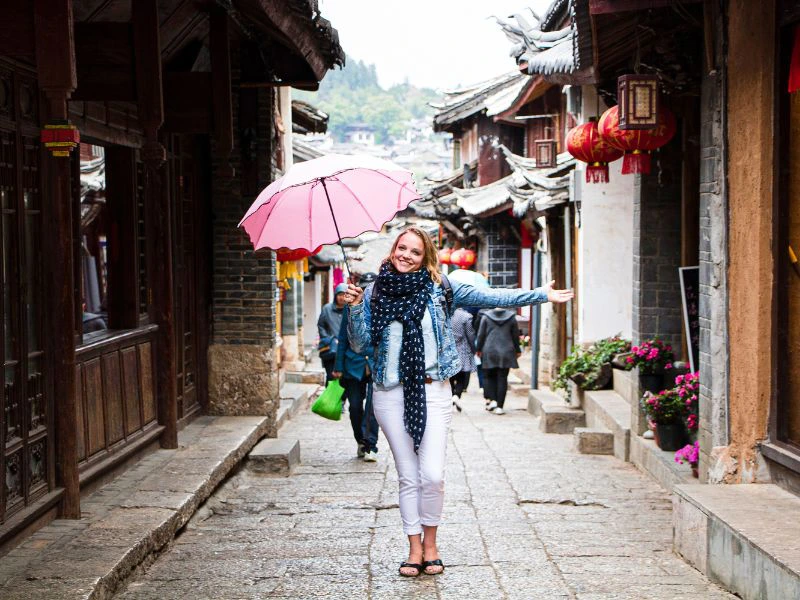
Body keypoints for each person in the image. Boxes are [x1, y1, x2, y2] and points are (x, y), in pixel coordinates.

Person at [344, 226, 573, 578]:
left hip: (433, 390)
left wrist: (540, 295)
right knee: (408, 476)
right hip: (389, 392)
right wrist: (356, 308)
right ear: (392, 251)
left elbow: (494, 297)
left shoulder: (442, 287)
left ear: (426, 257)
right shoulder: (372, 292)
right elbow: (360, 345)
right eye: (401, 248)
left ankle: (432, 542)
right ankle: (414, 547)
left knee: (432, 476)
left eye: (415, 251)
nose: (406, 255)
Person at [332, 273, 380, 462]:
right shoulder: (349, 308)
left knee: (372, 407)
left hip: (375, 363)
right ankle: (360, 440)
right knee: (354, 408)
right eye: (365, 287)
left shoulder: (382, 307)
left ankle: (370, 445)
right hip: (353, 364)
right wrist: (338, 366)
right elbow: (343, 338)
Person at [475, 307, 522, 415]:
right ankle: (500, 406)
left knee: (488, 376)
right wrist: (518, 350)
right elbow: (515, 336)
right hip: (506, 350)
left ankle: (493, 400)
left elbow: (481, 335)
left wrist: (478, 349)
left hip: (489, 350)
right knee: (502, 378)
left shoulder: (486, 317)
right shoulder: (511, 317)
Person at [317, 283, 348, 385]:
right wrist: (328, 338)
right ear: (335, 295)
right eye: (339, 294)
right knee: (331, 376)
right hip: (330, 349)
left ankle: (342, 399)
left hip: (345, 350)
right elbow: (321, 325)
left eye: (344, 294)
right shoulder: (327, 309)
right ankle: (330, 399)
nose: (342, 297)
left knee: (344, 378)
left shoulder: (350, 310)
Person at [449, 307, 476, 412]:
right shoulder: (466, 316)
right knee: (461, 376)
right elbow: (470, 334)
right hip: (462, 348)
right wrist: (473, 349)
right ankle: (457, 395)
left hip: (448, 349)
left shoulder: (445, 314)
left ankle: (452, 396)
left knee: (450, 376)